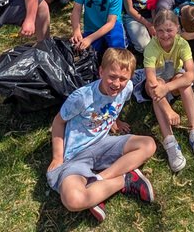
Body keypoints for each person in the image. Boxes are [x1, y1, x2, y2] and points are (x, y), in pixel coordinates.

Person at [46, 48, 156, 223]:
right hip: (76, 156)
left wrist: (116, 122)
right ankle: (125, 180)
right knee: (73, 200)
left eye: (122, 79)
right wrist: (58, 157)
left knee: (148, 144)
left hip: (103, 144)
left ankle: (99, 181)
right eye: (112, 76)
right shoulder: (82, 97)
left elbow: (115, 105)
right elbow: (58, 122)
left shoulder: (126, 88)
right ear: (101, 71)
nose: (117, 83)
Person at [141, 10, 194, 172]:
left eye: (169, 30)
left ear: (178, 29)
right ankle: (169, 141)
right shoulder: (151, 47)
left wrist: (168, 87)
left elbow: (191, 75)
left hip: (171, 84)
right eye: (160, 31)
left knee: (184, 80)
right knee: (156, 84)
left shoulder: (182, 44)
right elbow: (151, 82)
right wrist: (169, 111)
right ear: (154, 31)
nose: (165, 35)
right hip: (155, 89)